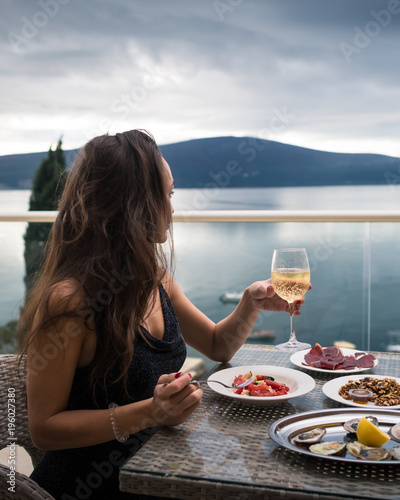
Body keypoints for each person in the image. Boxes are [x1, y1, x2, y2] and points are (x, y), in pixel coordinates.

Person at [18, 129, 308, 500]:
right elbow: (45, 429)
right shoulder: (69, 301)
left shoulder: (152, 277)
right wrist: (151, 412)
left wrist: (250, 302)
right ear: (131, 203)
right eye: (166, 194)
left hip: (162, 468)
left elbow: (217, 345)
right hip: (90, 485)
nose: (172, 208)